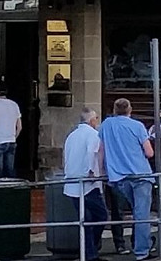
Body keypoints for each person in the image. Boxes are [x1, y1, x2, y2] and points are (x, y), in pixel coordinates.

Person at [100, 98, 154, 261]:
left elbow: (101, 150)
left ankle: (139, 244)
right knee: (142, 214)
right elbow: (149, 152)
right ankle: (142, 251)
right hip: (140, 175)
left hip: (119, 177)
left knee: (124, 211)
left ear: (115, 110)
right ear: (129, 110)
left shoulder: (106, 125)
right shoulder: (137, 126)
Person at [63, 107, 108, 261]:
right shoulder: (93, 135)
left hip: (72, 182)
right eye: (96, 118)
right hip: (88, 183)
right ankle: (90, 250)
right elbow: (92, 153)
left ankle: (89, 251)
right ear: (91, 120)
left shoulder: (71, 136)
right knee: (101, 216)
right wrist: (92, 172)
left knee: (85, 219)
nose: (97, 121)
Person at [0, 83, 22, 178]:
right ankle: (11, 189)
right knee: (10, 169)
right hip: (11, 141)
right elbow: (19, 126)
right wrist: (14, 137)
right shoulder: (14, 105)